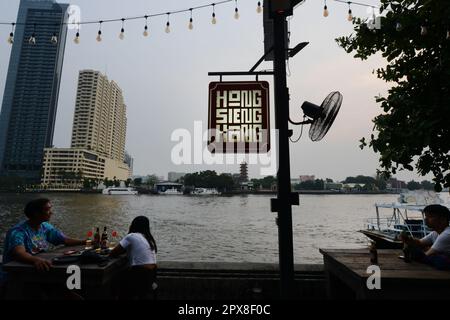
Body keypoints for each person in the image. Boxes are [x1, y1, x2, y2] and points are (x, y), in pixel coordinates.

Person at [1, 198, 86, 298]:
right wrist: (36, 260)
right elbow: (19, 253)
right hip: (17, 276)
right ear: (36, 213)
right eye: (47, 210)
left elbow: (64, 240)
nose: (51, 212)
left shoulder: (44, 227)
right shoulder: (18, 231)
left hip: (40, 273)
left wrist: (86, 241)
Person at [110, 216, 157, 299]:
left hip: (138, 274)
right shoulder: (149, 239)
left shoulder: (131, 236)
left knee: (115, 280)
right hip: (151, 275)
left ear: (133, 225)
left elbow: (113, 253)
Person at [400, 204, 450, 270]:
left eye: (430, 216)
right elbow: (420, 242)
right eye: (426, 216)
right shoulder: (435, 233)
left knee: (438, 260)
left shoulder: (447, 234)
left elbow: (426, 256)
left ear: (443, 219)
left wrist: (423, 249)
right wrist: (408, 239)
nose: (426, 219)